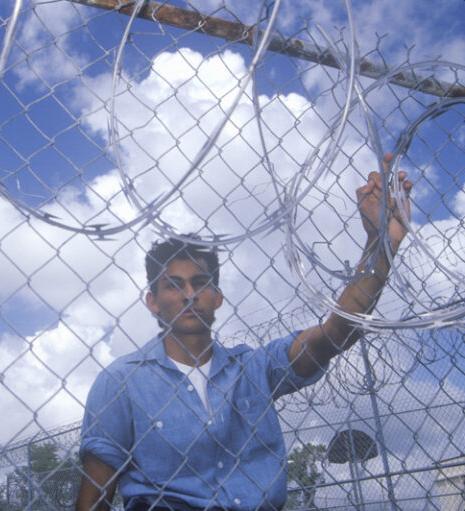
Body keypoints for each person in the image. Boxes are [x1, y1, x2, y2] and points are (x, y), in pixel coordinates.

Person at [76, 159, 413, 511]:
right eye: (173, 286)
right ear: (153, 302)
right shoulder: (121, 382)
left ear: (218, 297)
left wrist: (380, 245)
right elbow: (94, 498)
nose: (189, 294)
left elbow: (336, 332)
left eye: (200, 283)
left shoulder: (254, 368)